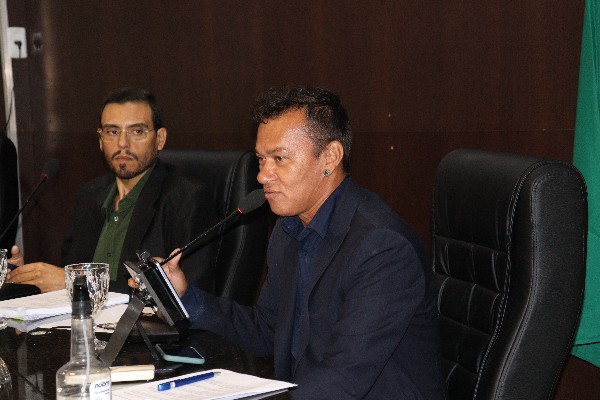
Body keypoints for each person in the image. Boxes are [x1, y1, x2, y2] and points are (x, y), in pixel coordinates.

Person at [155, 86, 446, 399]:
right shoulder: (289, 229)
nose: (262, 176)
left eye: (279, 159)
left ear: (330, 157)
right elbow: (267, 331)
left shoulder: (382, 248)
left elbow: (345, 378)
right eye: (261, 160)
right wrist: (185, 296)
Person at [7, 87, 217, 294]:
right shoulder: (89, 195)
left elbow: (190, 295)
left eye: (137, 131)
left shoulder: (186, 198)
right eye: (112, 132)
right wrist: (27, 278)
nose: (122, 143)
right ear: (100, 140)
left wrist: (76, 282)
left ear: (160, 139)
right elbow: (67, 276)